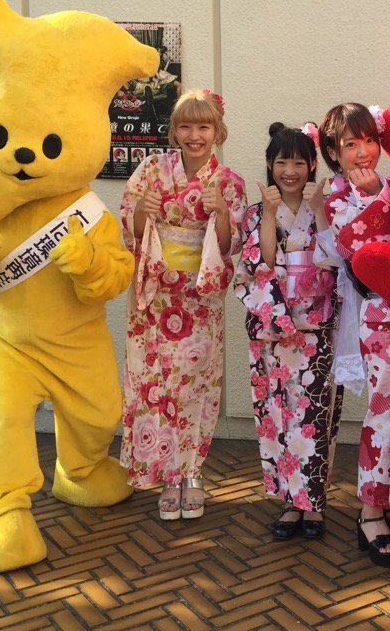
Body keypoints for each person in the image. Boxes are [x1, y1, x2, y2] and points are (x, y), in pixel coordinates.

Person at [119, 89, 247, 520]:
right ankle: (167, 477)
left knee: (196, 385)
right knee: (155, 384)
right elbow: (131, 231)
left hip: (198, 297)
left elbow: (230, 248)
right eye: (186, 126)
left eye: (204, 127)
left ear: (217, 131)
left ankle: (192, 472)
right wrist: (143, 210)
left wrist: (222, 213)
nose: (195, 135)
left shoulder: (228, 182)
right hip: (155, 297)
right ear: (174, 132)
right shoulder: (151, 170)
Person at [319, 102, 390, 567]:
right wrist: (378, 198)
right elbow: (355, 246)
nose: (363, 152)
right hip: (379, 313)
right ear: (333, 151)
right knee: (385, 408)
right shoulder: (336, 197)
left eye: (369, 140)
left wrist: (384, 194)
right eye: (350, 144)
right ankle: (370, 509)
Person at [234, 122, 342, 540]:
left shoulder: (327, 206)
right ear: (269, 164)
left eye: (299, 162)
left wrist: (318, 209)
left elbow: (333, 257)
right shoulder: (256, 211)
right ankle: (290, 504)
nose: (290, 171)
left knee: (314, 416)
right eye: (282, 162)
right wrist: (266, 212)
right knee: (277, 415)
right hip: (273, 329)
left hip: (316, 329)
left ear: (313, 164)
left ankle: (313, 504)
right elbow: (260, 263)